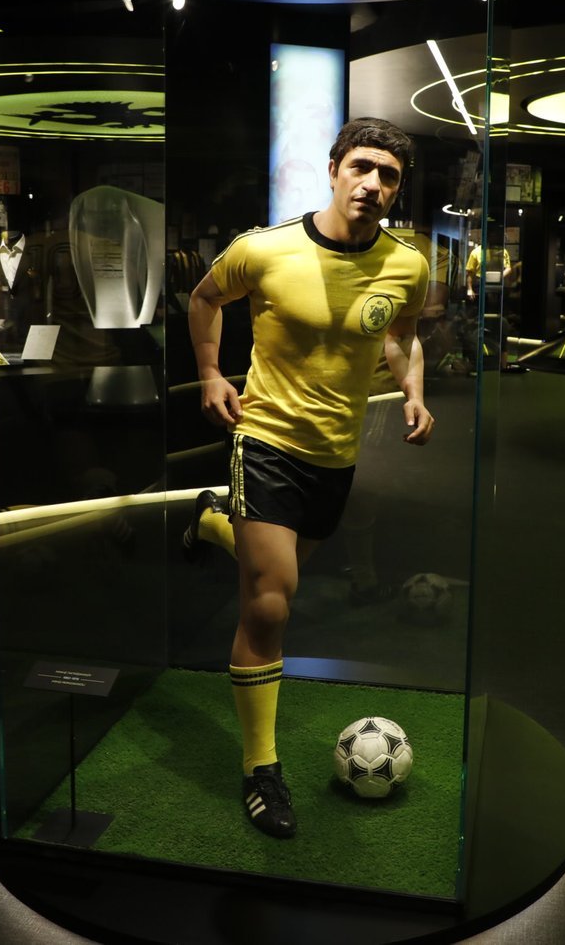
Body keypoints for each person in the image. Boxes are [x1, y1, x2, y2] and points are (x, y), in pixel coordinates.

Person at [183, 117, 434, 839]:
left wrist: (413, 390)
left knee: (287, 568)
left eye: (388, 176)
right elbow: (204, 298)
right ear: (333, 170)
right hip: (265, 439)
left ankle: (212, 521)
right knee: (271, 604)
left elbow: (402, 335)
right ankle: (260, 768)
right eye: (361, 167)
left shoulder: (407, 264)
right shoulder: (263, 249)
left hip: (336, 453)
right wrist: (210, 372)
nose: (373, 184)